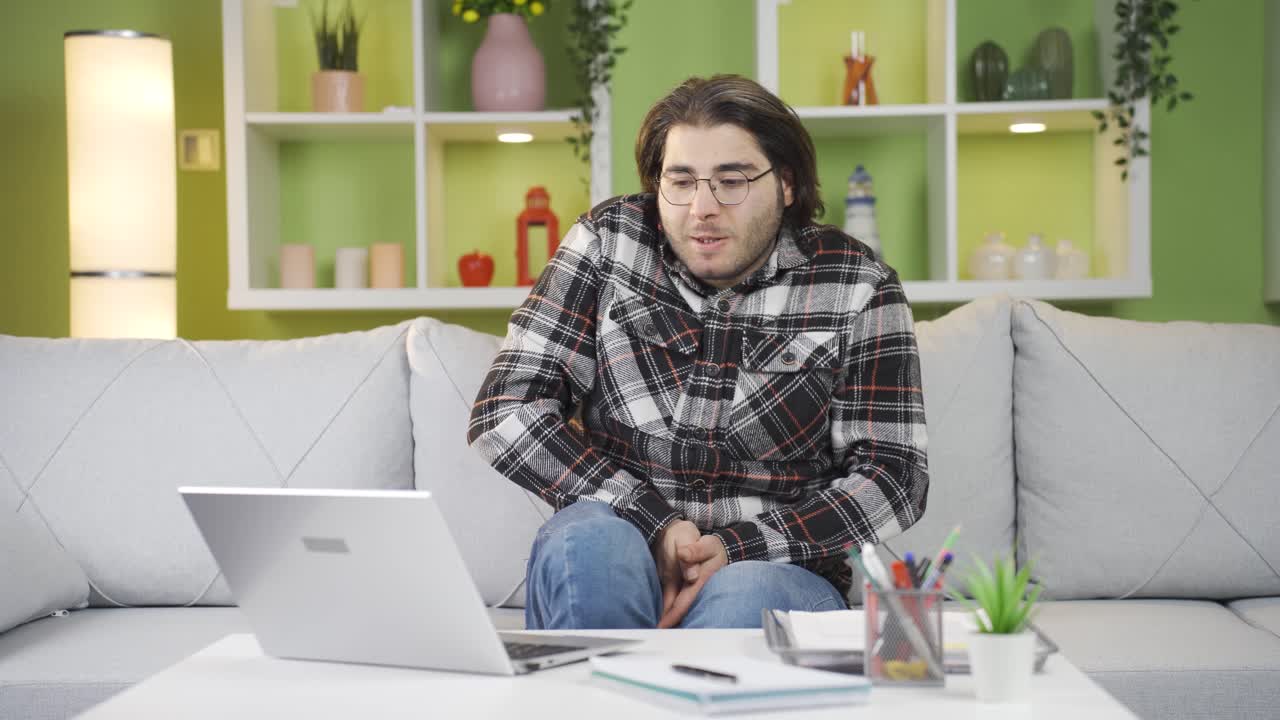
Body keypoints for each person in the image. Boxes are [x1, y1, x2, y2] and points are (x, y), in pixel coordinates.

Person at [467, 74, 928, 630]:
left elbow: (894, 474)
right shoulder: (608, 242)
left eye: (731, 181)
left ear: (785, 183)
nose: (701, 208)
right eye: (681, 181)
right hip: (619, 526)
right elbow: (506, 409)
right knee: (594, 551)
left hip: (774, 562)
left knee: (738, 602)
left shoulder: (859, 283)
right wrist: (654, 522)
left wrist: (737, 546)